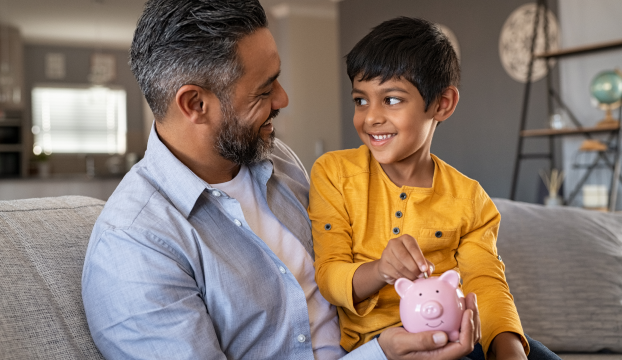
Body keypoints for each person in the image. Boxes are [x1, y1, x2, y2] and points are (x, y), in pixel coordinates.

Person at [82, 1, 481, 359]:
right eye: (264, 89)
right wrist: (381, 355)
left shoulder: (277, 162)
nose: (283, 99)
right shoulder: (134, 246)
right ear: (195, 104)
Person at [308, 17, 561, 360]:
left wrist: (510, 348)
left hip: (461, 337)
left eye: (392, 100)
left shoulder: (470, 198)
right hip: (381, 347)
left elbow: (485, 283)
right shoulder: (334, 173)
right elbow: (329, 275)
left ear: (442, 104)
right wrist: (381, 269)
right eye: (360, 100)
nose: (370, 118)